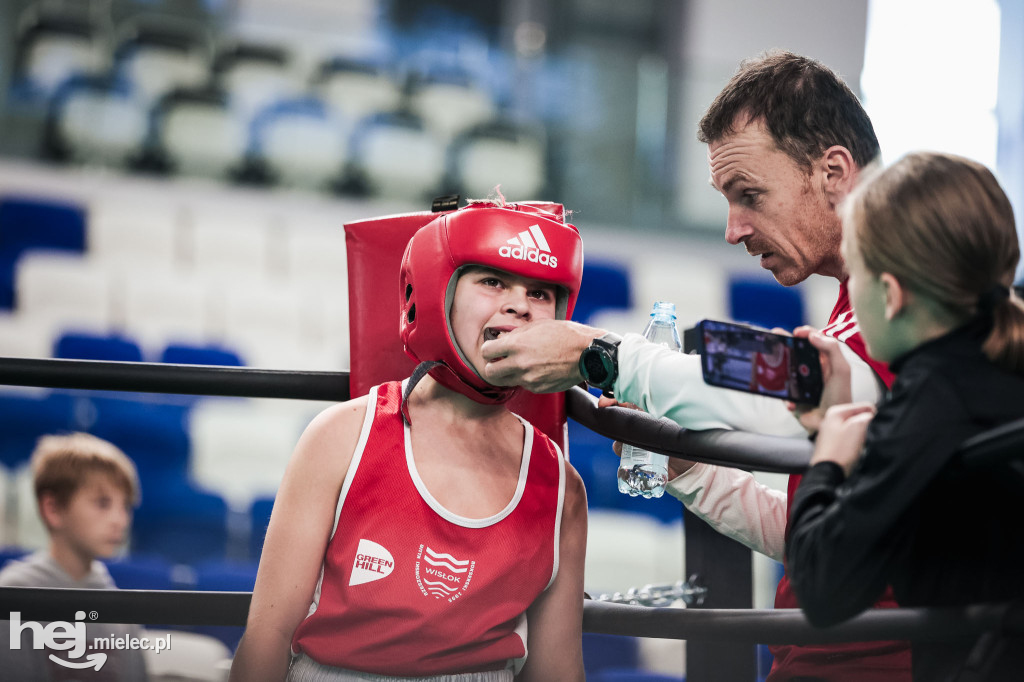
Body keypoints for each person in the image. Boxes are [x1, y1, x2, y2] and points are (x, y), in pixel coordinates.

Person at [480, 50, 913, 680]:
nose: (734, 230)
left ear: (834, 172)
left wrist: (597, 357)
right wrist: (689, 469)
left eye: (750, 195)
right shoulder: (854, 303)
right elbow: (820, 533)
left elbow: (806, 389)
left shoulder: (908, 295)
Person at [230, 202, 588, 682]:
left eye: (540, 293)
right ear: (437, 292)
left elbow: (556, 671)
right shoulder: (341, 439)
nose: (519, 305)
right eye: (493, 281)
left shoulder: (561, 487)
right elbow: (268, 637)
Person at [786, 152, 1024, 681]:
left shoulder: (931, 401)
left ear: (891, 296)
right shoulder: (1001, 363)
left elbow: (824, 589)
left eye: (856, 271)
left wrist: (826, 459)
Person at [0, 432, 149, 681]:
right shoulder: (13, 596)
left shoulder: (121, 611)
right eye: (102, 503)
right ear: (53, 509)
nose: (120, 520)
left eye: (125, 506)